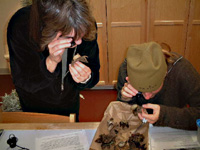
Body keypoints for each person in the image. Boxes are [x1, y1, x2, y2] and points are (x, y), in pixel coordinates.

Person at [7, 0, 100, 121]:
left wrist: (86, 78)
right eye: (70, 38)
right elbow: (24, 81)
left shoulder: (85, 24)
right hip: (34, 106)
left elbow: (94, 73)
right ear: (50, 32)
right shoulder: (21, 24)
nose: (79, 42)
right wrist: (50, 62)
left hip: (70, 103)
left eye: (81, 36)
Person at [116, 42, 200, 130]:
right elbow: (121, 115)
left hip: (174, 127)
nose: (147, 98)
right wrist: (125, 98)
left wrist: (164, 116)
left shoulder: (183, 71)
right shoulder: (126, 69)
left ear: (165, 75)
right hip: (139, 129)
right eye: (141, 91)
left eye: (153, 90)